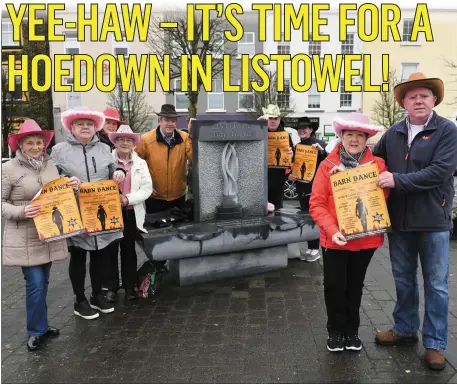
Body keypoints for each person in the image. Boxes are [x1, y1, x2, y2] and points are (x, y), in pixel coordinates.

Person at [372, 72, 457, 371]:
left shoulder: (447, 131)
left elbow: (440, 172)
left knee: (436, 285)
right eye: (412, 96)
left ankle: (435, 343)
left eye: (424, 95)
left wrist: (397, 180)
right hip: (400, 222)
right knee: (403, 279)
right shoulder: (393, 133)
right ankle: (405, 329)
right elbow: (372, 164)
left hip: (434, 221)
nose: (418, 100)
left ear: (434, 99)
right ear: (404, 102)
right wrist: (341, 168)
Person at [309, 112, 388, 352]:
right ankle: (335, 330)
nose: (354, 140)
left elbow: (381, 199)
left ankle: (352, 330)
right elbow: (317, 204)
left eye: (359, 135)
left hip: (366, 239)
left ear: (367, 139)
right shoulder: (327, 166)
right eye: (349, 134)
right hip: (335, 239)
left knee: (355, 284)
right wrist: (331, 230)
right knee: (334, 285)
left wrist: (369, 183)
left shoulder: (378, 166)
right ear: (341, 136)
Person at [2, 120, 78, 351]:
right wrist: (21, 211)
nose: (35, 147)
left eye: (39, 142)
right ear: (20, 145)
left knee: (43, 282)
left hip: (48, 232)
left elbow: (57, 191)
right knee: (35, 284)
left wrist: (71, 184)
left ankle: (42, 327)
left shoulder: (51, 165)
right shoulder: (8, 169)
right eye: (30, 143)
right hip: (25, 234)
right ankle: (35, 331)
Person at [51, 106, 126, 320]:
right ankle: (79, 300)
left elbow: (113, 168)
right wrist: (65, 181)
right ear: (71, 127)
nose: (85, 127)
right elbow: (52, 178)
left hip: (100, 209)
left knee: (100, 255)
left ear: (96, 128)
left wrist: (119, 172)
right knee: (78, 256)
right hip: (75, 211)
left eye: (89, 124)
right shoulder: (59, 150)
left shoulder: (104, 148)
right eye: (80, 124)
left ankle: (96, 295)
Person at [104, 125, 153, 302]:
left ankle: (130, 286)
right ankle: (111, 288)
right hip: (109, 212)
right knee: (110, 251)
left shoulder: (141, 163)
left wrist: (127, 199)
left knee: (128, 251)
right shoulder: (106, 160)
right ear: (115, 142)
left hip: (130, 211)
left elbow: (147, 188)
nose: (125, 143)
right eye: (121, 139)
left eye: (129, 140)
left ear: (134, 144)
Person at [136, 104, 192, 214]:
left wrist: (193, 136)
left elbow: (195, 157)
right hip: (155, 197)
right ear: (160, 121)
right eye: (167, 120)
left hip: (178, 196)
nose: (170, 124)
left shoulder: (184, 138)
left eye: (173, 121)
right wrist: (144, 186)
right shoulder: (146, 139)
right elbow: (136, 165)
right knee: (156, 228)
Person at [289, 116, 328, 262]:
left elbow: (328, 163)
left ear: (311, 130)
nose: (302, 130)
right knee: (306, 216)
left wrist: (322, 152)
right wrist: (292, 175)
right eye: (299, 128)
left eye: (305, 128)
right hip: (301, 186)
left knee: (314, 217)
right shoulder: (297, 146)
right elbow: (296, 166)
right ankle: (310, 248)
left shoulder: (320, 144)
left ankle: (315, 249)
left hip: (316, 187)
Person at [258, 104, 294, 210]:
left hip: (278, 181)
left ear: (279, 120)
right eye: (270, 118)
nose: (273, 121)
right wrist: (257, 123)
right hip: (260, 178)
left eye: (275, 118)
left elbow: (293, 156)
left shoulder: (286, 135)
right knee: (260, 210)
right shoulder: (258, 132)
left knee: (277, 211)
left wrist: (291, 154)